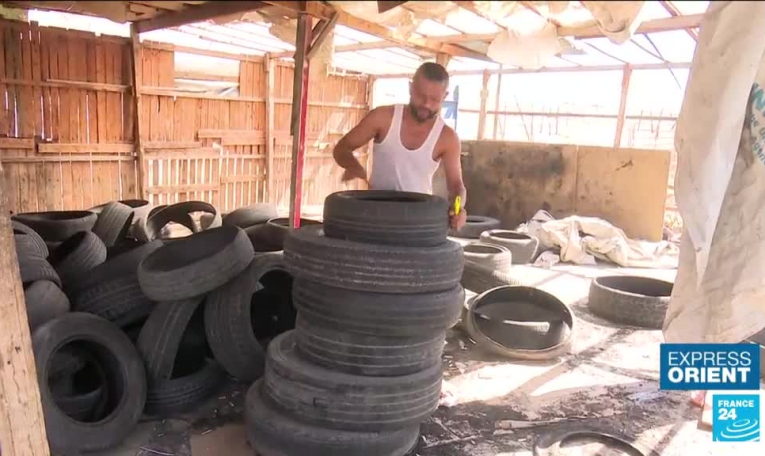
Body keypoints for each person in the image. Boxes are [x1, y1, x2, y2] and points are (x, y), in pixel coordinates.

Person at [332, 62, 468, 230]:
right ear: (410, 88)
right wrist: (353, 166)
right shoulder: (383, 117)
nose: (426, 104)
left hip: (418, 222)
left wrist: (458, 208)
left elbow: (456, 186)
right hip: (376, 215)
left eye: (434, 99)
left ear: (445, 96)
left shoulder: (447, 138)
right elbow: (341, 149)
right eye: (421, 96)